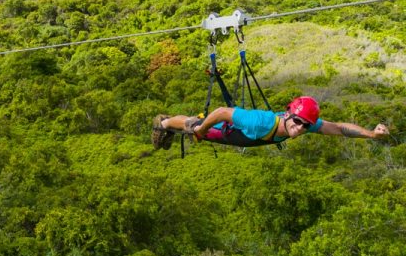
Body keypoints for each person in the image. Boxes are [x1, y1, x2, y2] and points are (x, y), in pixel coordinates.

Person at [151, 96, 390, 150]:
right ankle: (163, 124)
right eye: (297, 121)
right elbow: (223, 112)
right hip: (230, 130)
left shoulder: (305, 124)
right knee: (192, 125)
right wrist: (202, 130)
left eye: (306, 125)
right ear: (288, 115)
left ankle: (174, 126)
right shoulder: (261, 122)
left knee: (197, 126)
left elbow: (339, 128)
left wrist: (371, 134)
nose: (300, 128)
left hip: (244, 136)